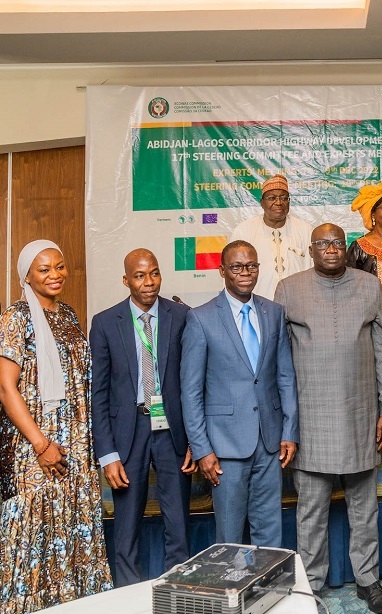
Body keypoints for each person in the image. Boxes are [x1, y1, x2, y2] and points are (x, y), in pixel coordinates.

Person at [274, 224, 382, 614]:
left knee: (365, 508)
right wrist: (286, 423)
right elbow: (279, 363)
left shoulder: (368, 285)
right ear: (311, 250)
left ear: (346, 248)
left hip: (361, 415)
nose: (331, 248)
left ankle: (369, 580)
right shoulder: (289, 289)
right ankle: (309, 584)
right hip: (310, 420)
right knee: (310, 511)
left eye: (338, 242)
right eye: (323, 243)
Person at [0, 240, 114, 612]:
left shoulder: (68, 315)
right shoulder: (15, 318)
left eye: (59, 267)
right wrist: (41, 444)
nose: (55, 275)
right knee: (35, 528)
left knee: (73, 523)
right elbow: (5, 387)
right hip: (36, 442)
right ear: (27, 276)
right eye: (44, 269)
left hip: (76, 441)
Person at [180, 240, 298, 547]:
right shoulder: (200, 318)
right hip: (224, 447)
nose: (245, 273)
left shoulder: (273, 312)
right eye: (237, 267)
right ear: (222, 271)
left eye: (252, 266)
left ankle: (270, 592)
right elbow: (190, 392)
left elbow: (285, 376)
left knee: (270, 530)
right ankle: (233, 593)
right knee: (230, 536)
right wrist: (202, 448)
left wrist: (289, 431)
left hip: (270, 441)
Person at [90, 248, 196, 586]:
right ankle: (127, 597)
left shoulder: (181, 316)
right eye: (139, 276)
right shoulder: (106, 323)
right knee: (126, 527)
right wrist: (107, 455)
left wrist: (197, 439)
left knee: (178, 522)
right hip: (128, 431)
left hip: (173, 432)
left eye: (154, 273)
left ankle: (176, 592)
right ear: (126, 280)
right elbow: (99, 394)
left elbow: (194, 381)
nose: (148, 282)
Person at [231, 174, 312, 300]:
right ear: (262, 203)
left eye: (284, 198)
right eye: (272, 198)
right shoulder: (244, 231)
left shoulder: (305, 230)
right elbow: (233, 273)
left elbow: (313, 271)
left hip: (298, 303)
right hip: (257, 304)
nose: (279, 202)